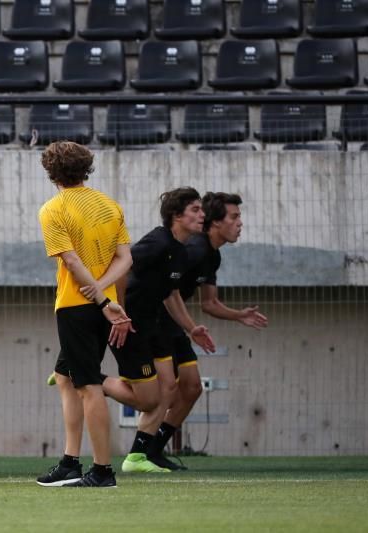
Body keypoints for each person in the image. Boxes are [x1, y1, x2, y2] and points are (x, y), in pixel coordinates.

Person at [92, 187, 216, 474]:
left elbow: (170, 294)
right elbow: (121, 268)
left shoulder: (181, 251)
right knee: (149, 399)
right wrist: (119, 314)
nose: (202, 215)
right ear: (176, 215)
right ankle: (86, 377)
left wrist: (191, 328)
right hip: (130, 324)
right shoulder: (157, 242)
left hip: (154, 324)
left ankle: (138, 456)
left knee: (169, 387)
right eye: (195, 210)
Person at [36, 141, 133, 488]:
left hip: (77, 307)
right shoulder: (109, 205)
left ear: (51, 172)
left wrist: (99, 298)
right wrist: (104, 293)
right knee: (64, 377)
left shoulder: (53, 209)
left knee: (89, 386)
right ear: (86, 168)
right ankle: (69, 462)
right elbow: (126, 258)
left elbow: (72, 261)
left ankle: (103, 471)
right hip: (103, 306)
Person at [147, 192, 268, 469]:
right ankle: (94, 384)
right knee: (158, 392)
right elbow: (166, 290)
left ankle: (152, 451)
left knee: (191, 388)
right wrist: (190, 327)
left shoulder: (212, 256)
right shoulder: (194, 249)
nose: (240, 223)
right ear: (215, 223)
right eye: (234, 217)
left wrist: (239, 315)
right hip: (155, 318)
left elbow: (209, 303)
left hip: (174, 322)